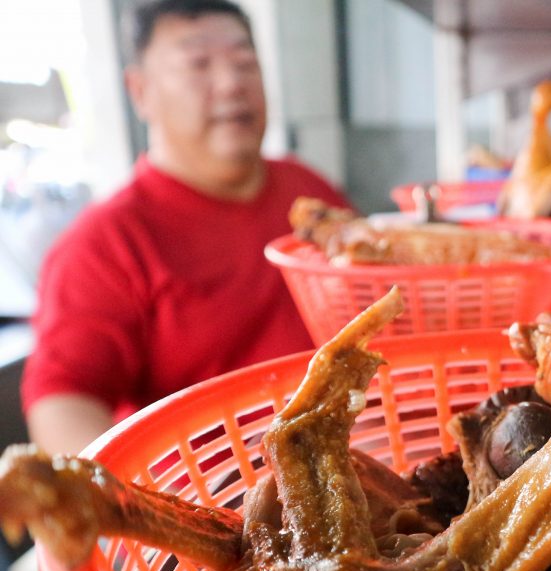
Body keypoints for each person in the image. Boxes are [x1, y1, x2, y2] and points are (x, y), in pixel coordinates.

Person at [21, 0, 349, 456]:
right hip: (214, 500)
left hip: (362, 456)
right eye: (198, 65)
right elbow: (63, 399)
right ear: (140, 91)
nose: (232, 83)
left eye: (244, 62)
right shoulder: (104, 243)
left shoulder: (308, 191)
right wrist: (136, 503)